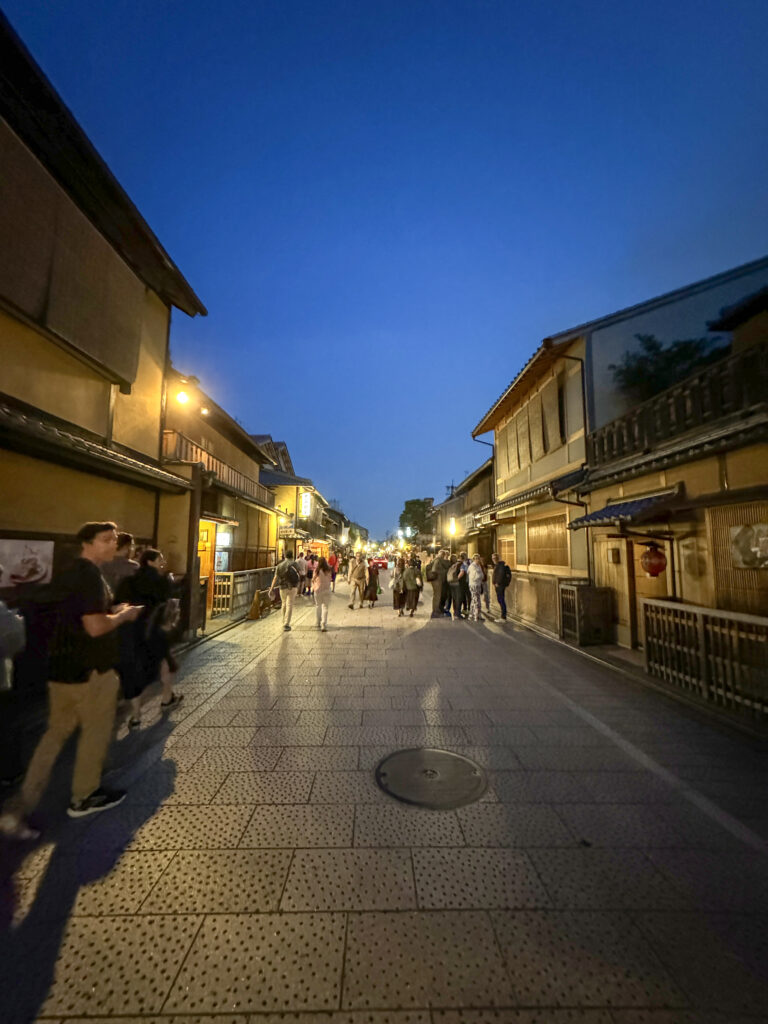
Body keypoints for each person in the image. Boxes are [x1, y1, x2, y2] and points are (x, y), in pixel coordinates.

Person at [0, 522, 144, 839]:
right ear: (86, 543)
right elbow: (93, 627)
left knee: (53, 738)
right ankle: (84, 795)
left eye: (114, 540)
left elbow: (78, 618)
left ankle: (18, 808)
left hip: (62, 670)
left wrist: (111, 610)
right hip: (90, 671)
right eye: (105, 540)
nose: (112, 545)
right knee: (95, 732)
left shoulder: (68, 573)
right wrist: (122, 615)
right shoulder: (88, 576)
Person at [116, 548, 183, 728]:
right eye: (159, 558)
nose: (163, 561)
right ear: (150, 561)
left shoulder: (128, 582)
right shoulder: (163, 581)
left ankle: (136, 716)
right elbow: (171, 604)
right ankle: (167, 697)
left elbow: (116, 605)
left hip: (131, 631)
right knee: (164, 662)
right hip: (155, 630)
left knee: (133, 671)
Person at [271, 549, 300, 631]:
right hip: (293, 586)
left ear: (285, 556)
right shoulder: (295, 564)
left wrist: (271, 588)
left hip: (282, 587)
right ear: (292, 555)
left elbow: (275, 578)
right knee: (289, 604)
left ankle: (283, 620)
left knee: (283, 603)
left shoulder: (280, 565)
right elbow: (300, 573)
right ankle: (286, 624)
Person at [427, 549, 451, 618]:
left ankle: (436, 611)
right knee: (437, 596)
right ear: (442, 555)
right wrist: (443, 572)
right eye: (443, 555)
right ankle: (435, 612)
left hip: (436, 580)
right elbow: (434, 570)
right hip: (437, 580)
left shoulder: (436, 559)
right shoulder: (438, 560)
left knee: (437, 596)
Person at [312, 556, 333, 631]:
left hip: (318, 590)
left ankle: (318, 622)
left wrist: (314, 585)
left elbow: (313, 579)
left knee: (318, 606)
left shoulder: (316, 570)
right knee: (325, 607)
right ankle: (323, 624)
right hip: (327, 590)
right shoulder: (328, 570)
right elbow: (330, 579)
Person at [491, 552, 511, 621]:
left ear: (498, 558)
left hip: (500, 585)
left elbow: (501, 575)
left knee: (501, 599)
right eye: (493, 558)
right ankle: (503, 615)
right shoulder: (497, 565)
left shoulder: (500, 566)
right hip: (498, 585)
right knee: (500, 599)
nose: (494, 559)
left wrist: (497, 583)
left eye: (495, 558)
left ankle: (503, 616)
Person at [446, 555, 466, 621]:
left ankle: (455, 613)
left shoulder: (454, 565)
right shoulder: (462, 564)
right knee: (458, 598)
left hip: (451, 583)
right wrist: (457, 579)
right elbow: (462, 572)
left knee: (454, 598)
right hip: (458, 584)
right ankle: (457, 614)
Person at [467, 554, 485, 621]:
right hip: (473, 585)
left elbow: (482, 575)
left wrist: (480, 575)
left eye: (479, 558)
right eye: (476, 558)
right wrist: (480, 575)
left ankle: (472, 614)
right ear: (474, 559)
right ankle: (476, 615)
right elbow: (475, 576)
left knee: (475, 599)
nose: (478, 560)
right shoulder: (472, 566)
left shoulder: (478, 566)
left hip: (478, 584)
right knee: (476, 600)